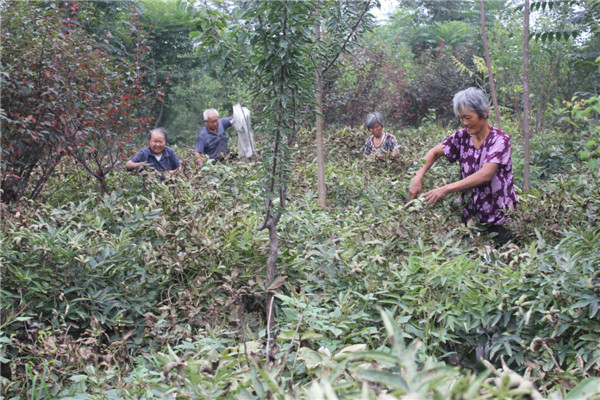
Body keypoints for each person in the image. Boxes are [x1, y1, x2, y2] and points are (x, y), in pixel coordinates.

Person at [408, 87, 518, 245]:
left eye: (468, 117)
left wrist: (445, 189)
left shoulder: (500, 140)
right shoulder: (461, 137)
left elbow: (485, 174)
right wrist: (417, 177)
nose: (465, 122)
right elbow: (433, 153)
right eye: (461, 118)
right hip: (471, 220)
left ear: (484, 112)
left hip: (499, 220)